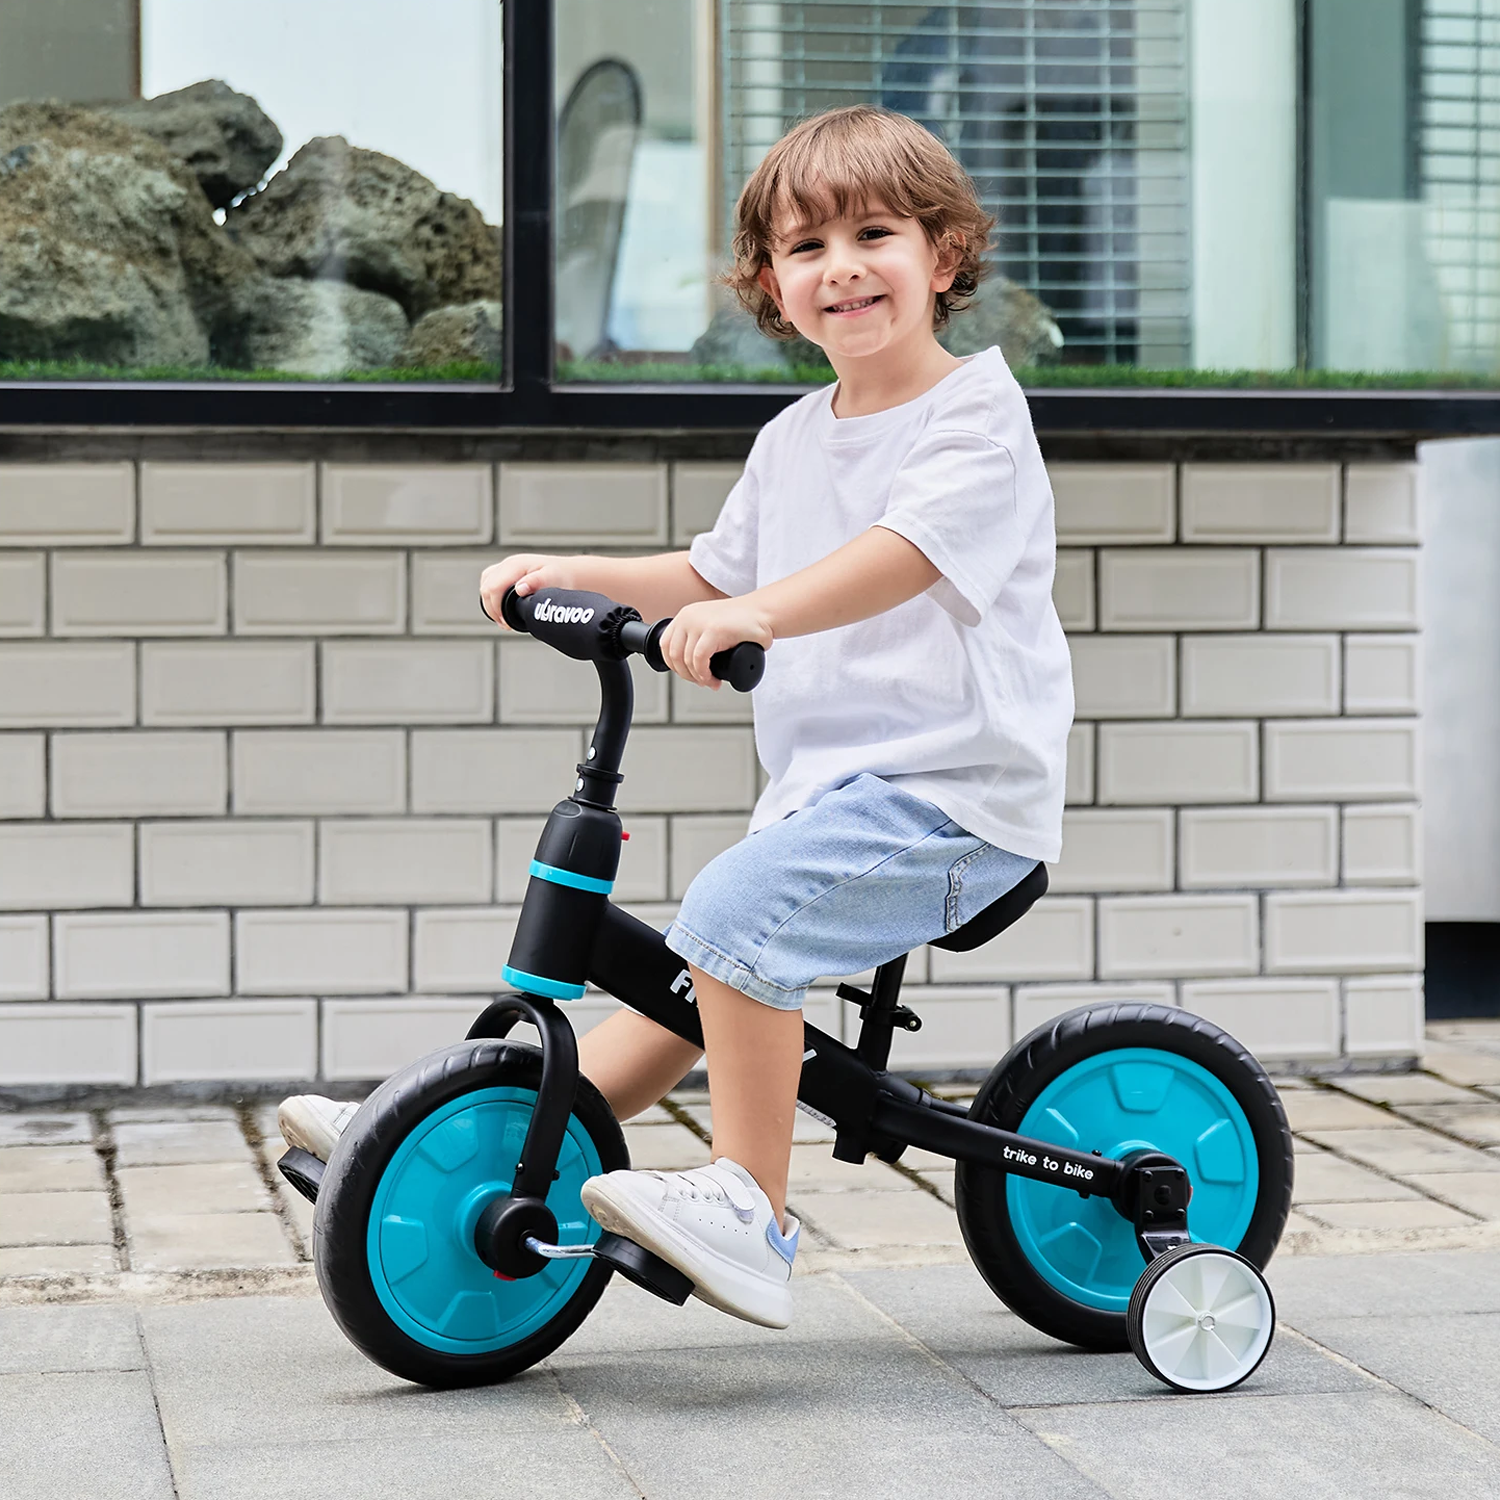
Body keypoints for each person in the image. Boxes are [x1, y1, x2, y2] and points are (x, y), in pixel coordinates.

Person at [278, 103, 1072, 1333]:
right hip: (834, 802)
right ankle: (459, 1135)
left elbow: (901, 555)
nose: (842, 267)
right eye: (806, 248)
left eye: (874, 235)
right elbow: (709, 574)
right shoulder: (794, 437)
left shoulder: (975, 418)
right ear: (771, 284)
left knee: (731, 921)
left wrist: (758, 613)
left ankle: (753, 1209)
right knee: (683, 983)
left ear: (946, 254)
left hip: (958, 801)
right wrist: (572, 575)